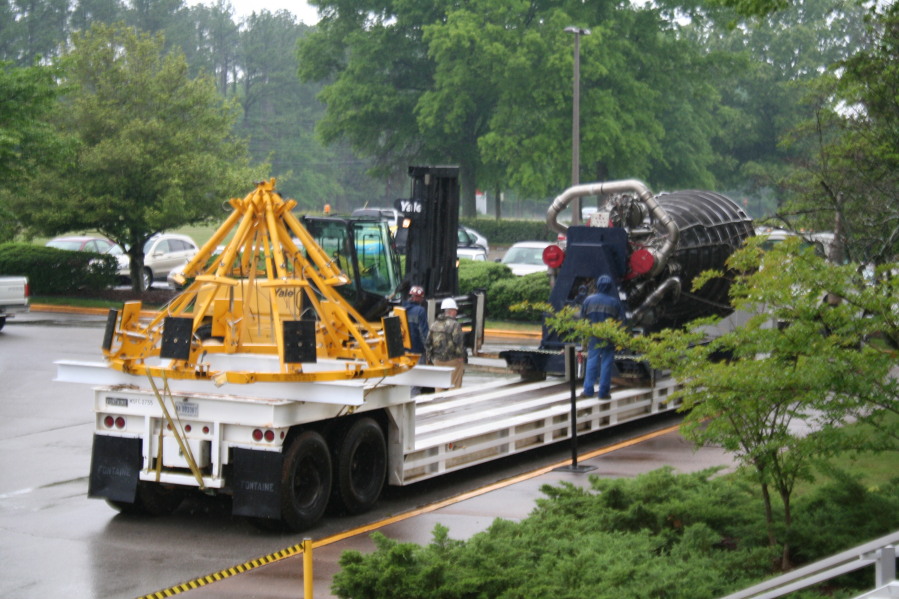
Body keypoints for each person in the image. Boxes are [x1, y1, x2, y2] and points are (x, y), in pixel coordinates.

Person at [580, 274, 625, 399]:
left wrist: (584, 339)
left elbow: (582, 320)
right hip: (608, 337)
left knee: (592, 361)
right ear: (610, 287)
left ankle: (588, 390)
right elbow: (620, 322)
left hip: (594, 335)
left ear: (598, 285)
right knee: (606, 363)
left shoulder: (589, 300)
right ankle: (603, 392)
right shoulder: (614, 302)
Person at [425, 297, 466, 389]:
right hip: (453, 359)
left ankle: (439, 401)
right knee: (455, 385)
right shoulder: (454, 325)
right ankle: (453, 402)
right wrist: (460, 357)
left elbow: (428, 342)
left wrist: (430, 358)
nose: (456, 312)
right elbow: (458, 342)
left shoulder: (434, 324)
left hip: (438, 360)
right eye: (455, 310)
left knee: (439, 386)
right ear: (451, 311)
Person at [402, 285, 429, 359]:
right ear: (417, 297)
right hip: (417, 350)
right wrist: (428, 348)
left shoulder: (401, 309)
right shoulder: (420, 311)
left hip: (404, 350)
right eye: (421, 297)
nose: (422, 299)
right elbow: (423, 332)